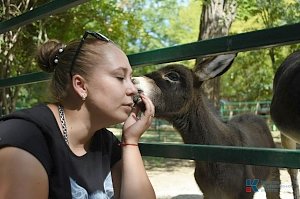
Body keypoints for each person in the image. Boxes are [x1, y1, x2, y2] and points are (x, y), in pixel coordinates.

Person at [0, 31, 156, 199]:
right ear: (81, 85)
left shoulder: (105, 143)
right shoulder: (25, 137)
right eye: (120, 77)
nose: (133, 89)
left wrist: (130, 143)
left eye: (130, 78)